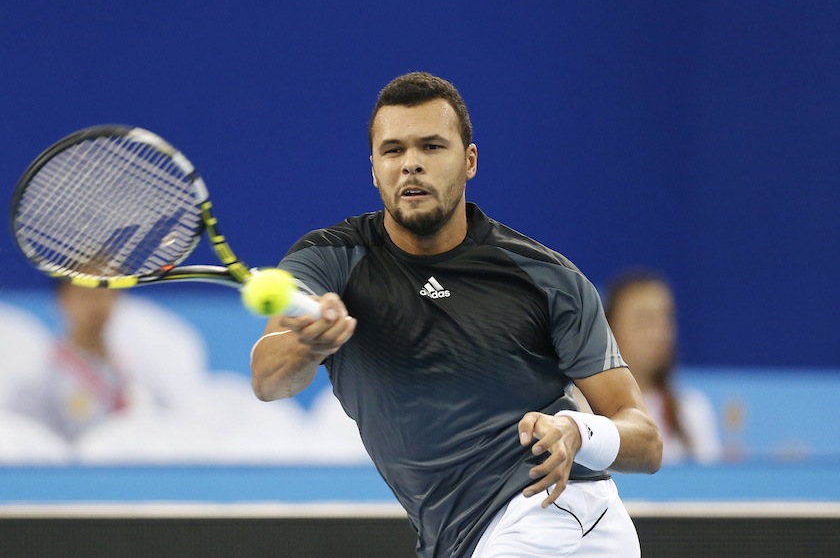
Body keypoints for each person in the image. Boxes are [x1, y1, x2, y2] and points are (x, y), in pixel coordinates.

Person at [250, 72, 662, 557]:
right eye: (393, 151)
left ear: (469, 162)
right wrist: (311, 343)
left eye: (431, 147)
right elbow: (268, 380)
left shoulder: (547, 278)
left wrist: (579, 431)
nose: (411, 165)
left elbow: (647, 440)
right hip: (463, 541)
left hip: (557, 518)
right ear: (374, 170)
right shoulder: (330, 260)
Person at [14, 281, 208, 443]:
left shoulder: (144, 360)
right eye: (84, 294)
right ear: (62, 299)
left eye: (104, 293)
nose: (96, 305)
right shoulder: (38, 373)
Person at [603, 270, 722, 464]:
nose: (658, 334)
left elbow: (709, 489)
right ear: (610, 328)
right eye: (644, 320)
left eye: (665, 318)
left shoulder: (692, 410)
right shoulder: (583, 413)